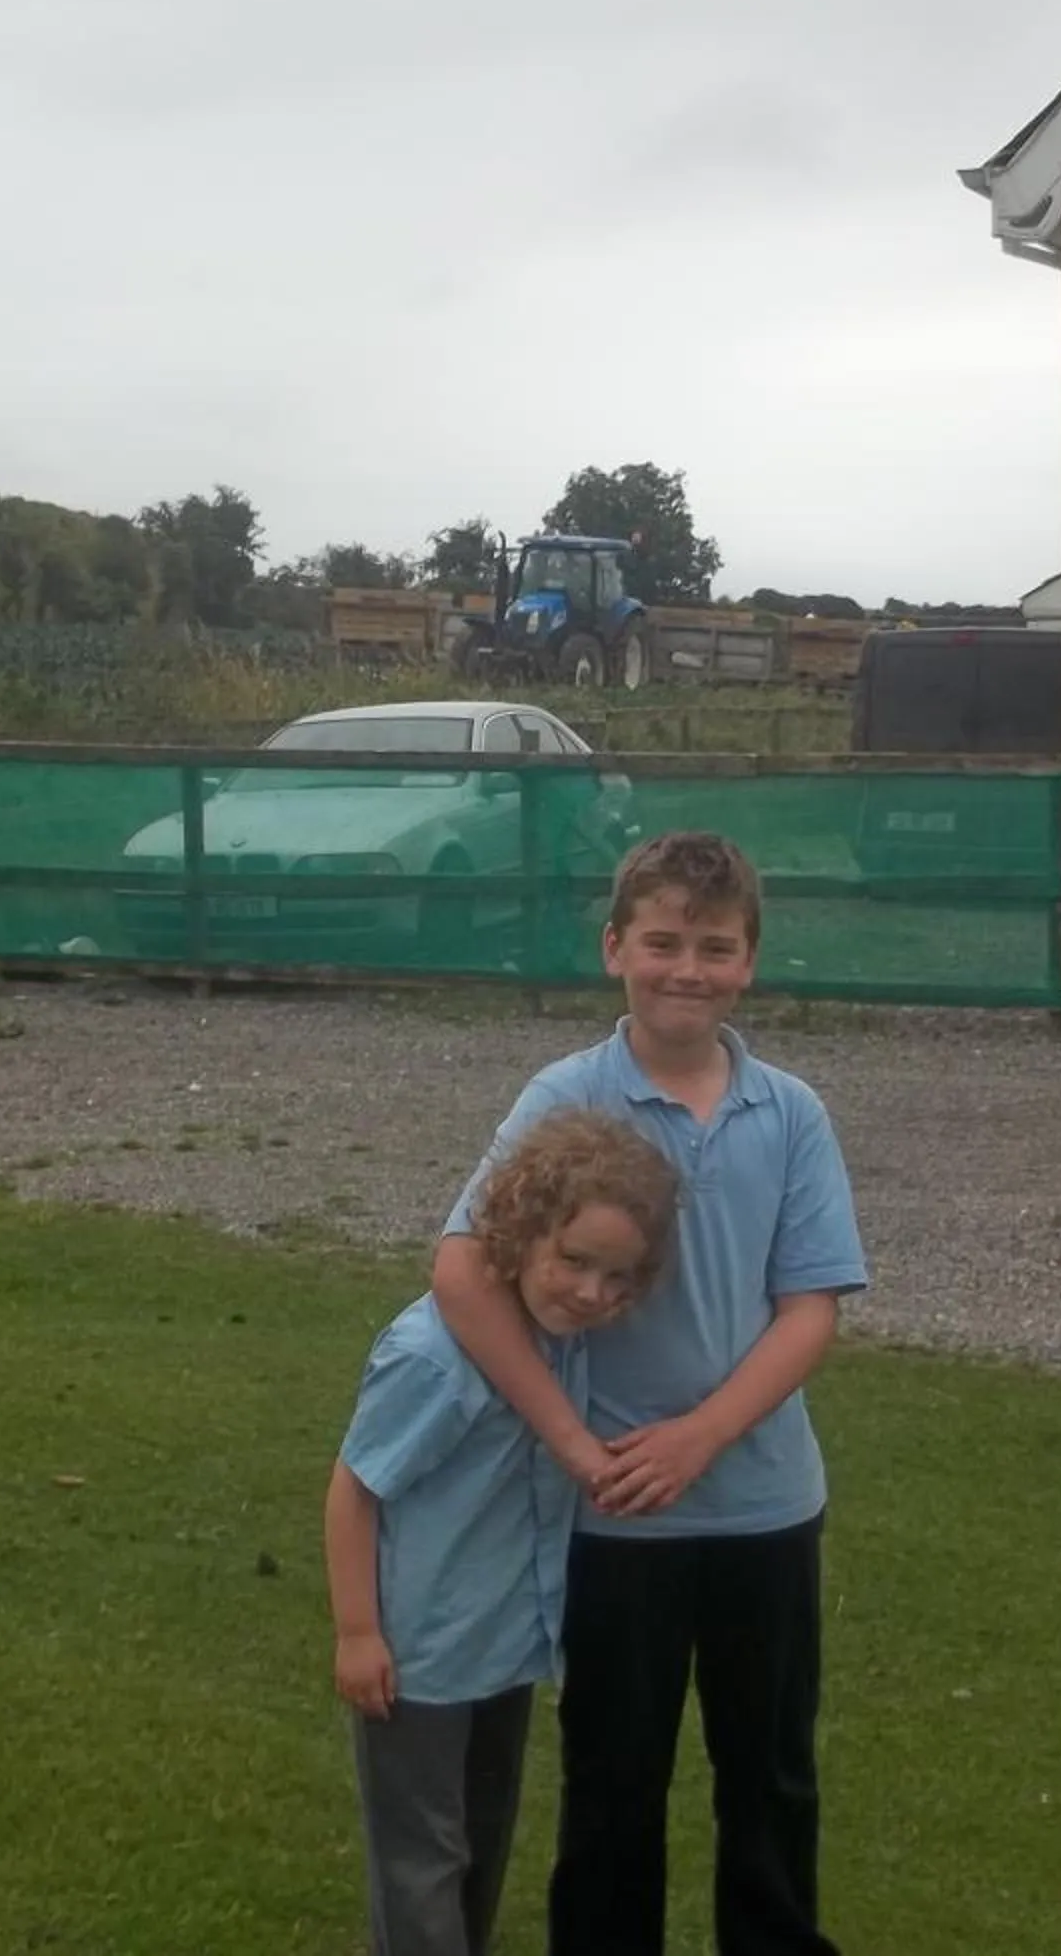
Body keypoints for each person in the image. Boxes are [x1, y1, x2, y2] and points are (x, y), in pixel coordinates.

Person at [430, 830, 868, 1956]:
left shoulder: (792, 1114)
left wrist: (702, 1438)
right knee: (613, 1783)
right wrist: (576, 1443)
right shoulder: (568, 1095)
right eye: (663, 942)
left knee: (770, 1779)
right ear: (614, 946)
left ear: (750, 962)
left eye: (715, 948)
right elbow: (462, 1272)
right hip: (611, 1513)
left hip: (765, 1508)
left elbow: (810, 1308)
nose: (688, 969)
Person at [326, 1107, 685, 1956]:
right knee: (423, 1861)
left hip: (504, 1646)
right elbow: (353, 1491)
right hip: (416, 1661)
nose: (593, 1294)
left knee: (480, 1846)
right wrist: (357, 1633)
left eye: (618, 1277)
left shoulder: (558, 1346)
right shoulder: (433, 1361)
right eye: (574, 1262)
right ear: (519, 1233)